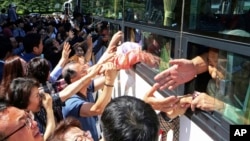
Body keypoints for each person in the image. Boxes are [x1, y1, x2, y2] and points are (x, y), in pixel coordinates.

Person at [154, 47, 250, 124]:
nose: (212, 74)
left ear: (245, 69)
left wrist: (222, 107)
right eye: (210, 64)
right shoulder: (212, 86)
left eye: (221, 67)